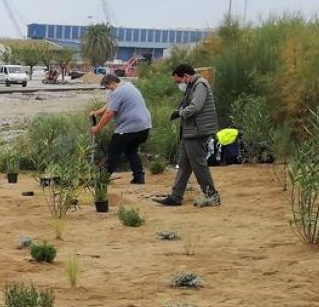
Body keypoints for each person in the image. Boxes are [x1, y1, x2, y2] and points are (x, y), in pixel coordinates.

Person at [153, 63, 221, 207]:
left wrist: (180, 113)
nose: (179, 84)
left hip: (197, 132)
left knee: (198, 164)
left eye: (178, 81)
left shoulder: (200, 85)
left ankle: (212, 195)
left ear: (186, 76)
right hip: (190, 132)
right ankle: (176, 196)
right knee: (184, 164)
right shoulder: (193, 85)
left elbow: (196, 106)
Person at [90, 73, 152, 184]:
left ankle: (101, 179)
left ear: (113, 83)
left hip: (129, 128)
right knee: (131, 150)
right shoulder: (128, 86)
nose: (108, 90)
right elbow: (109, 105)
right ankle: (139, 177)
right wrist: (97, 112)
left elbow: (109, 113)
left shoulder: (118, 92)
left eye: (108, 87)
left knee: (112, 152)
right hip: (144, 127)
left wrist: (97, 128)